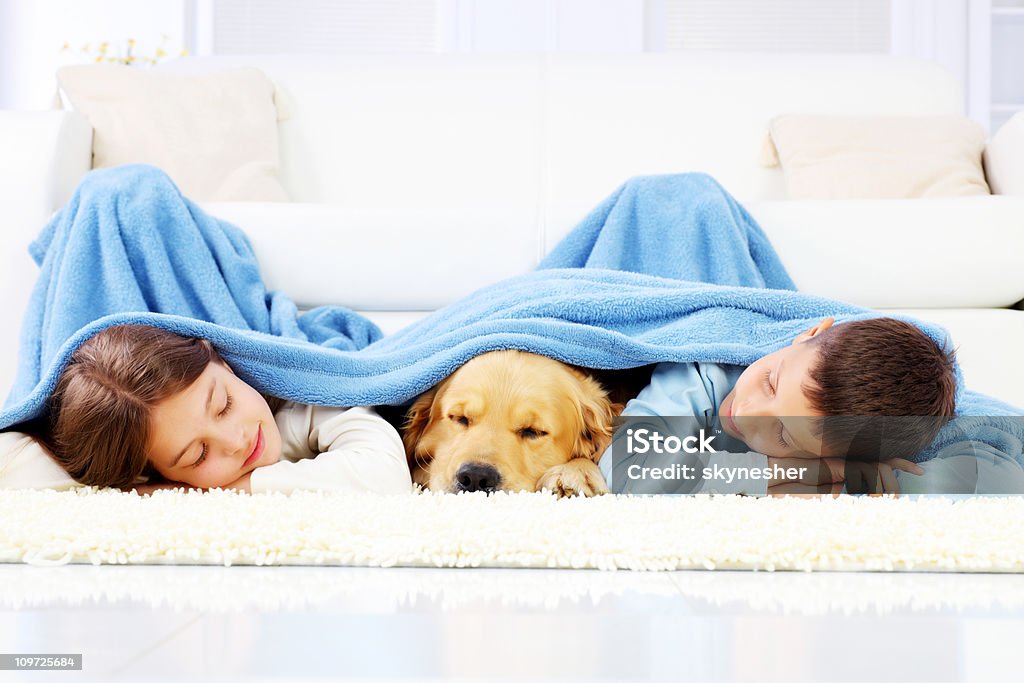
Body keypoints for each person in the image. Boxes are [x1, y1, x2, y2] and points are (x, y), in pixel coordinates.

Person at [600, 316, 958, 495]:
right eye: (771, 382)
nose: (745, 412)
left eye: (784, 434)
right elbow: (624, 469)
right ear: (810, 334)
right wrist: (783, 467)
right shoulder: (701, 376)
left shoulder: (843, 436)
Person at [39, 324, 412, 495]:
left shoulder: (303, 403)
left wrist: (228, 488)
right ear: (151, 473)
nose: (236, 440)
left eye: (224, 404)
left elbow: (384, 477)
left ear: (225, 364)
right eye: (198, 454)